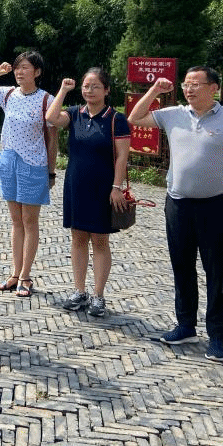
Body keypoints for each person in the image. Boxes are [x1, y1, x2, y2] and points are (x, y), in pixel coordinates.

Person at [128, 66, 223, 362]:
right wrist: (155, 90)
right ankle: (185, 325)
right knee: (182, 266)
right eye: (186, 84)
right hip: (178, 204)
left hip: (215, 205)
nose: (189, 89)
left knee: (216, 271)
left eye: (196, 84)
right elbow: (135, 117)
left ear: (214, 88)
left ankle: (218, 336)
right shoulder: (173, 114)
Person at [45, 67, 130, 318]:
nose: (89, 90)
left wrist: (116, 187)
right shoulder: (74, 114)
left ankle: (98, 295)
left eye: (95, 86)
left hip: (103, 188)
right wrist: (63, 90)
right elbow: (51, 118)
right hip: (76, 185)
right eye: (85, 86)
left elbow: (122, 156)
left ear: (107, 90)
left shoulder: (116, 119)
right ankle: (79, 291)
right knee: (78, 238)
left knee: (100, 241)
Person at [0, 52, 58, 299]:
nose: (19, 72)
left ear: (37, 72)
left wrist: (51, 172)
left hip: (34, 165)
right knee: (15, 221)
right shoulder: (8, 94)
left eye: (25, 68)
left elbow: (52, 139)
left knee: (29, 221)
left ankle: (25, 276)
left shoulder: (47, 99)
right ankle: (15, 273)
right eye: (17, 68)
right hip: (9, 161)